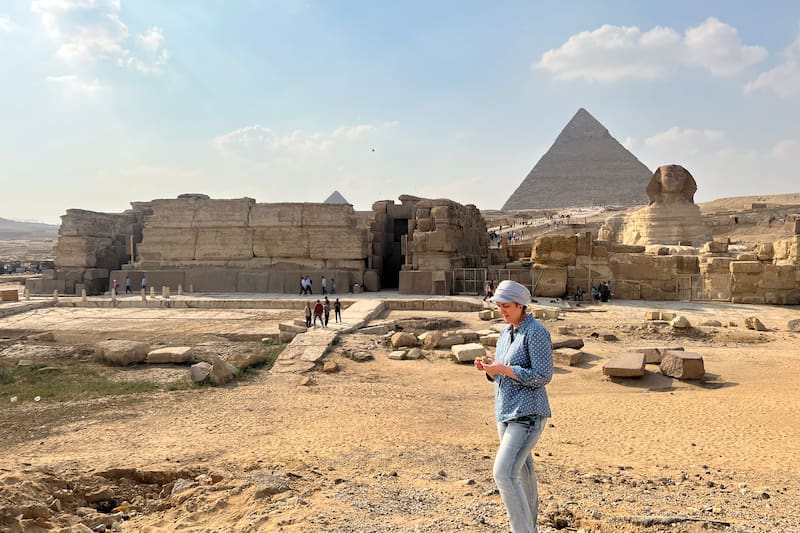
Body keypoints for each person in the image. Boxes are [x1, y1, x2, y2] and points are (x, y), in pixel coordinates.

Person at [475, 280, 553, 533]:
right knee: (522, 475)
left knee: (504, 473)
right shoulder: (505, 333)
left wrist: (505, 369)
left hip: (528, 414)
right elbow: (502, 372)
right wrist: (490, 369)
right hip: (505, 411)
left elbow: (543, 375)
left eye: (506, 306)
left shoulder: (536, 331)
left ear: (521, 305)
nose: (502, 311)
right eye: (498, 306)